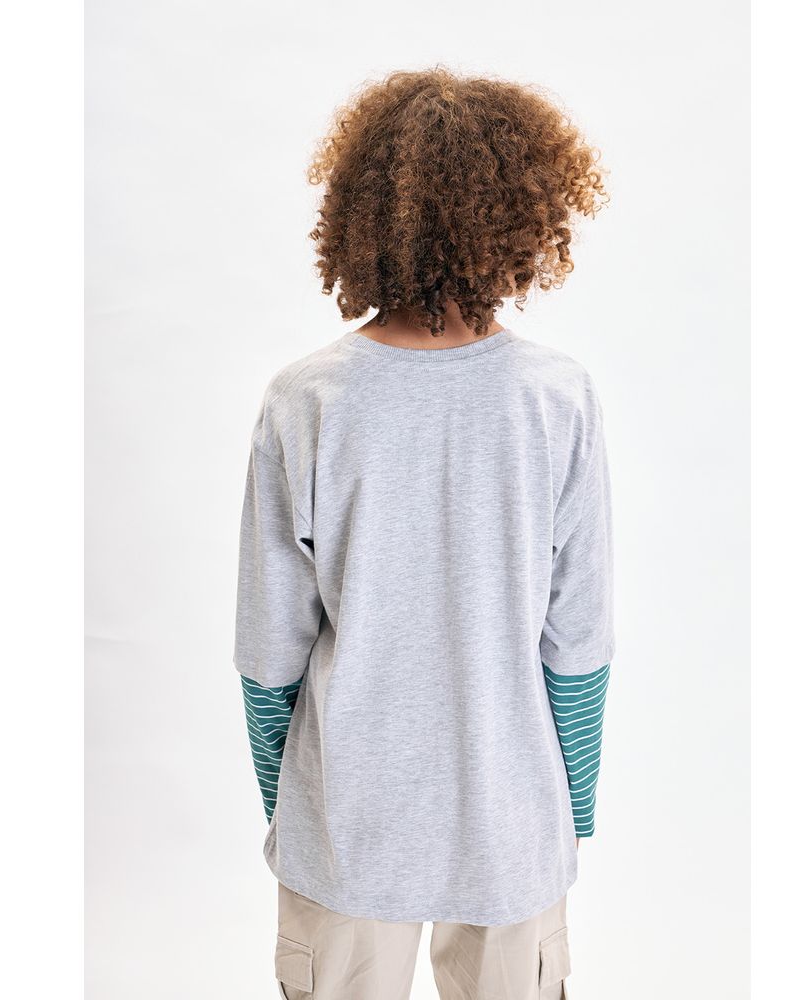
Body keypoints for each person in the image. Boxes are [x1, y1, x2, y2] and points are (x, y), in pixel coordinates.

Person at [234, 68, 614, 1000]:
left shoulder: (306, 402)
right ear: (525, 215)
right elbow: (578, 642)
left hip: (348, 818)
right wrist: (567, 811)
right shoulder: (555, 400)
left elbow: (268, 652)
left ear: (361, 216)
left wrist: (293, 802)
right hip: (511, 814)